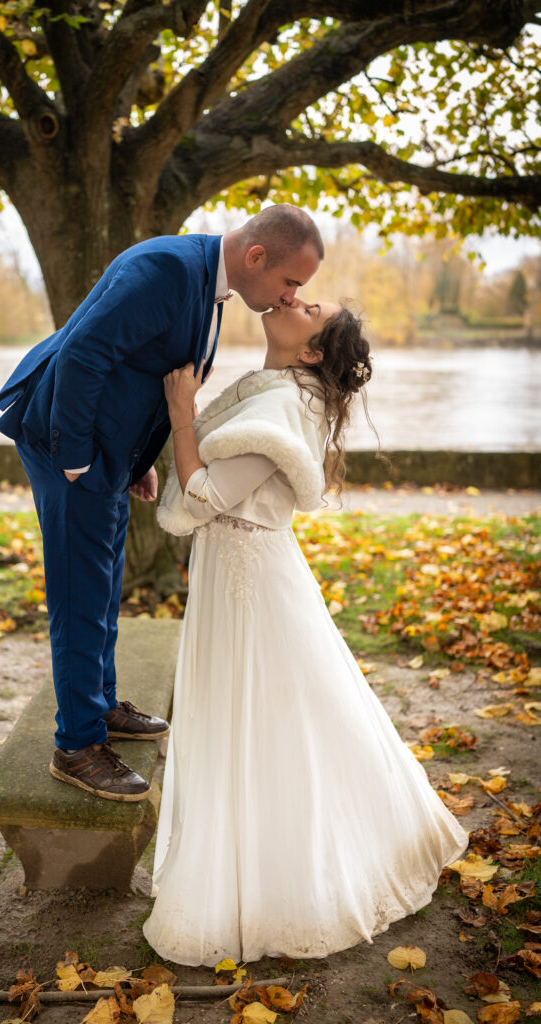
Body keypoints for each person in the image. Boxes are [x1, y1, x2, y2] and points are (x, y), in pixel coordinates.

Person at [142, 298, 469, 965]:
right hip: (242, 567)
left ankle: (280, 887)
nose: (293, 299)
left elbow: (202, 497)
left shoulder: (281, 411)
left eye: (310, 306)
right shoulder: (276, 395)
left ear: (313, 351)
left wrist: (181, 414)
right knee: (275, 717)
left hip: (249, 583)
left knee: (262, 721)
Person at [0, 205, 324, 802]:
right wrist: (78, 461)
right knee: (80, 594)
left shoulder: (208, 281)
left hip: (108, 452)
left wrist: (139, 459)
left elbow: (147, 371)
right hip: (67, 441)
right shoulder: (166, 269)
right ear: (256, 259)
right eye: (290, 283)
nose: (290, 295)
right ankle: (78, 747)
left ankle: (99, 705)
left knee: (104, 579)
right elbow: (84, 355)